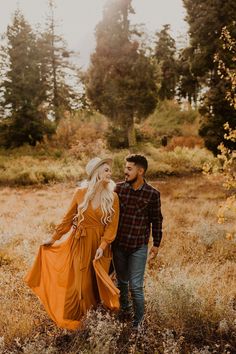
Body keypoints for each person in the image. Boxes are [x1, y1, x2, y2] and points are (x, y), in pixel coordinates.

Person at [24, 157, 120, 330]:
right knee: (82, 285)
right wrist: (53, 238)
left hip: (100, 247)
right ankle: (80, 322)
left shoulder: (112, 197)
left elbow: (112, 227)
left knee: (96, 284)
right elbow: (67, 219)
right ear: (96, 172)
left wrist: (102, 247)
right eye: (106, 169)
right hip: (80, 243)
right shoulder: (80, 193)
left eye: (110, 170)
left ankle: (98, 322)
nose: (110, 173)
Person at [112, 154, 163, 329]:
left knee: (136, 286)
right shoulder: (118, 189)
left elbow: (157, 220)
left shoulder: (152, 194)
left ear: (140, 171)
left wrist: (156, 244)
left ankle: (138, 323)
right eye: (125, 168)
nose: (125, 172)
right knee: (122, 282)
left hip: (138, 246)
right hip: (118, 245)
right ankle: (125, 310)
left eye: (129, 168)